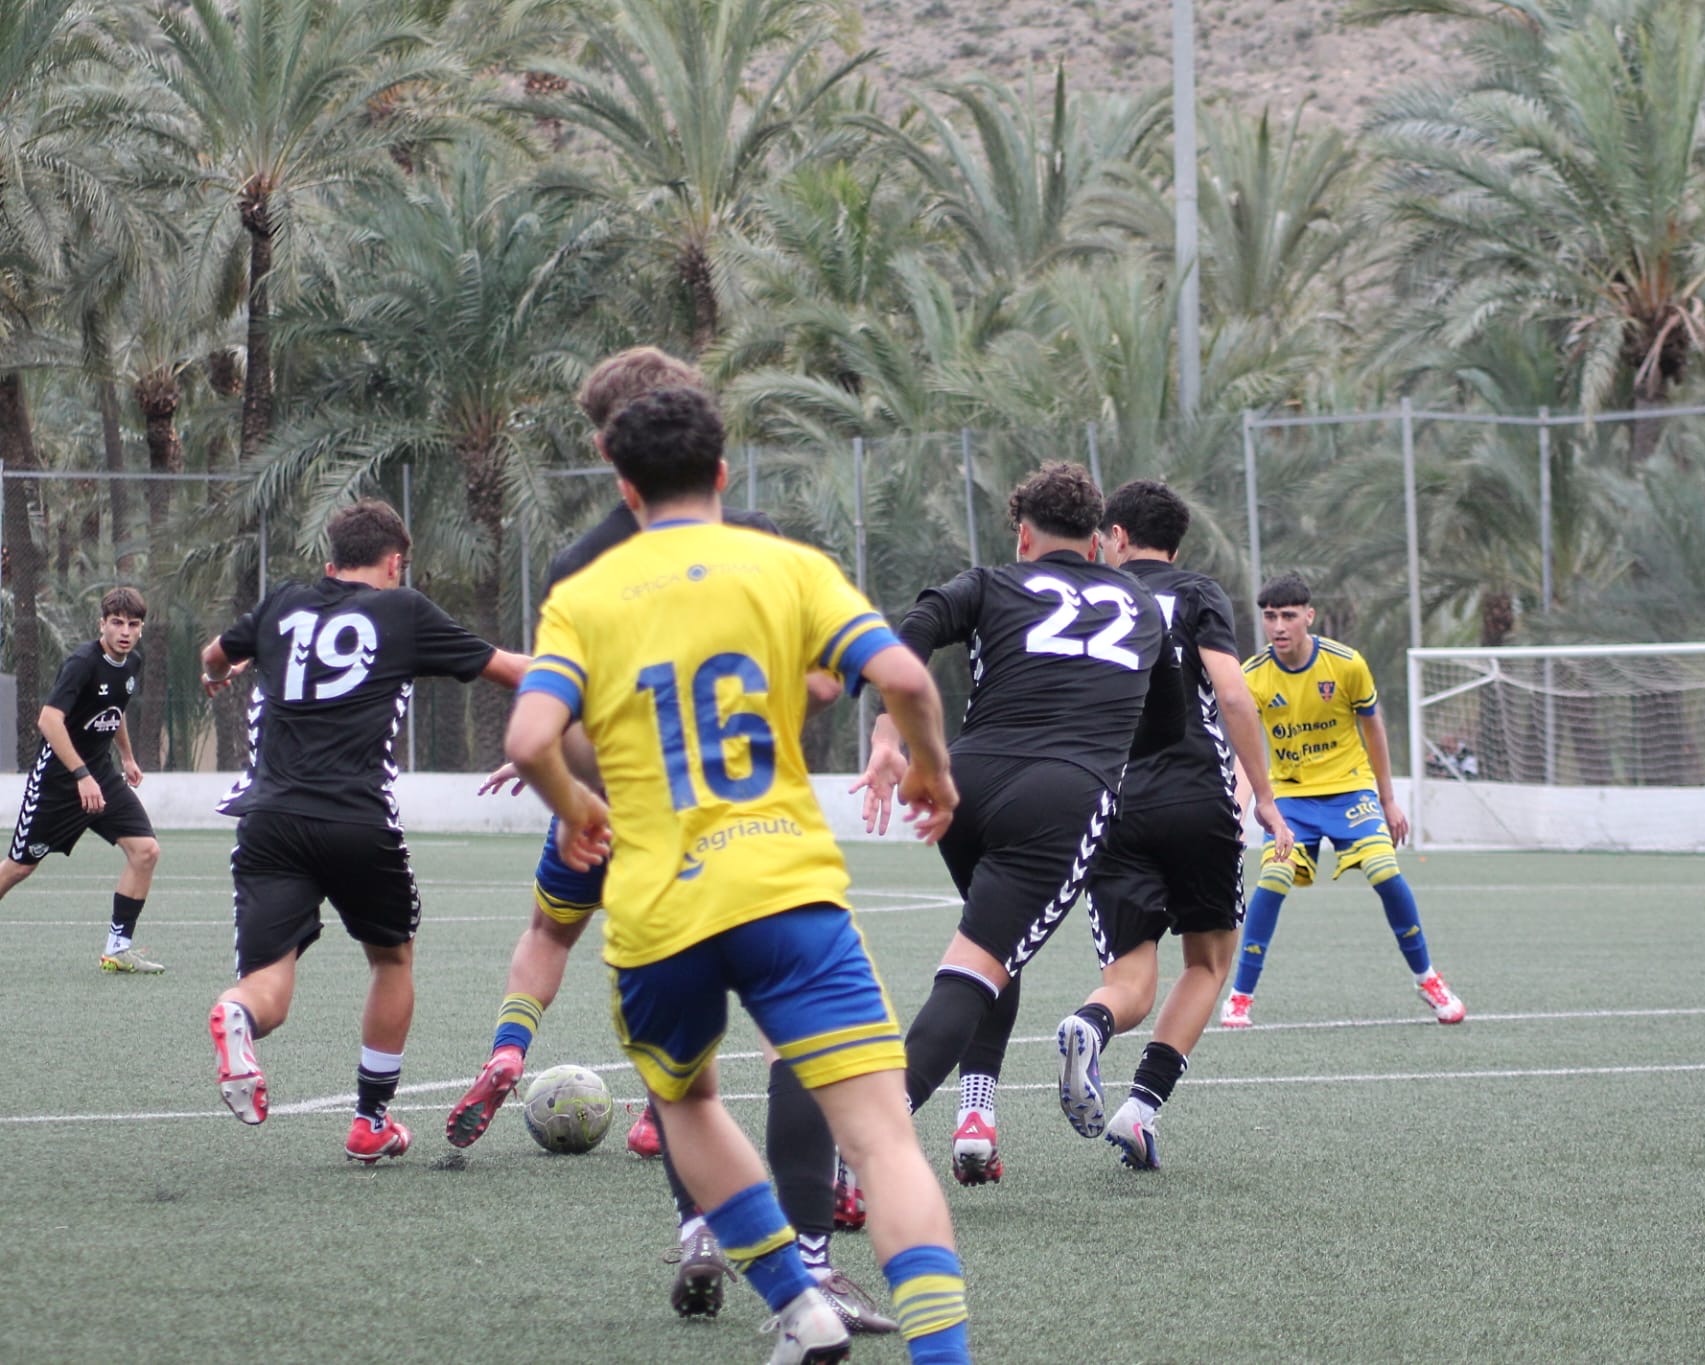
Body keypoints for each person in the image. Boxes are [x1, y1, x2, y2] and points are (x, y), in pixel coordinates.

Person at [506, 385, 972, 1364]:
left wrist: (574, 806)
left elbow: (529, 736)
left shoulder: (583, 595)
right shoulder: (787, 566)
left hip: (658, 909)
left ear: (624, 486)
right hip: (786, 891)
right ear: (723, 471)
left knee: (687, 1102)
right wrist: (930, 768)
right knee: (883, 1140)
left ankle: (796, 1304)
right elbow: (903, 678)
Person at [445, 347, 887, 1333]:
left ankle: (698, 1227)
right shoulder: (755, 541)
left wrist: (562, 783)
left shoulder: (578, 566)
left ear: (610, 453)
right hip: (744, 824)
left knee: (675, 1058)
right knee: (791, 1037)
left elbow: (554, 719)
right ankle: (812, 1263)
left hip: (613, 821)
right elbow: (832, 675)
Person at [855, 461, 1184, 1186]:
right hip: (1060, 796)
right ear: (1097, 542)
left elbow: (911, 631)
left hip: (966, 783)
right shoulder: (1141, 604)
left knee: (992, 946)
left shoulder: (991, 581)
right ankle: (866, 1145)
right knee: (977, 965)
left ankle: (976, 1114)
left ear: (1024, 536)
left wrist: (888, 734)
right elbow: (1167, 727)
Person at [200, 500, 528, 1163]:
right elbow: (512, 671)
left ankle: (237, 1015)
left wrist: (220, 673)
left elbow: (213, 654)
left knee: (267, 988)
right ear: (395, 562)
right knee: (391, 958)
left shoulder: (282, 603)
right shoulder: (403, 610)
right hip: (356, 818)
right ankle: (370, 1120)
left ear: (331, 563)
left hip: (269, 820)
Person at [1048, 480, 1292, 1168]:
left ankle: (1091, 1023)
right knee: (1209, 962)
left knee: (1129, 978)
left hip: (1111, 802)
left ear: (1117, 537)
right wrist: (1264, 795)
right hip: (1196, 798)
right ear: (1175, 547)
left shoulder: (1085, 597)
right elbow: (1234, 694)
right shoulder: (1196, 591)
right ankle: (1140, 1109)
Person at [1222, 572, 1465, 1029]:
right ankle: (1240, 995)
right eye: (1270, 616)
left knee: (1385, 871)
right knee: (1273, 879)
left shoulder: (1346, 664)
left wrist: (1388, 800)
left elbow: (1374, 730)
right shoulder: (1252, 675)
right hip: (1291, 798)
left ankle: (1427, 978)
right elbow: (1247, 750)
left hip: (1351, 791)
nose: (1278, 626)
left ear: (1309, 616)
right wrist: (1237, 809)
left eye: (1288, 615)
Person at [0, 587, 163, 972]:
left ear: (141, 628)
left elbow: (115, 709)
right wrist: (81, 775)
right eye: (117, 623)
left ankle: (117, 950)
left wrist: (127, 757)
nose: (125, 631)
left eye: (133, 624)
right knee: (20, 867)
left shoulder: (133, 662)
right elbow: (48, 721)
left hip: (100, 776)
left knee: (146, 851)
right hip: (58, 782)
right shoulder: (82, 663)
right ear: (102, 624)